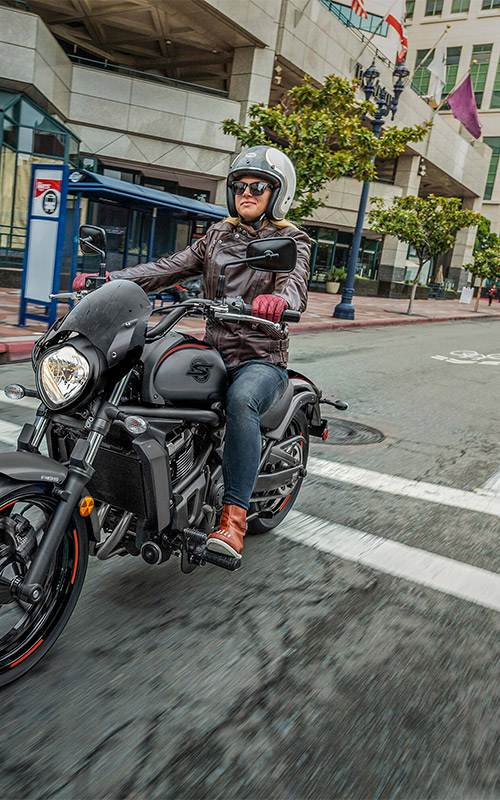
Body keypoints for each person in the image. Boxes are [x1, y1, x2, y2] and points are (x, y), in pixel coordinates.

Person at [72, 147, 312, 562]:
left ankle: (233, 519)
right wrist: (111, 280)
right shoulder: (218, 235)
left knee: (241, 401)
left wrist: (277, 300)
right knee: (139, 368)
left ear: (278, 193)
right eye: (240, 186)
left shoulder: (292, 240)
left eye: (258, 186)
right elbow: (170, 267)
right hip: (215, 351)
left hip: (260, 358)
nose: (246, 192)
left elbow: (295, 281)